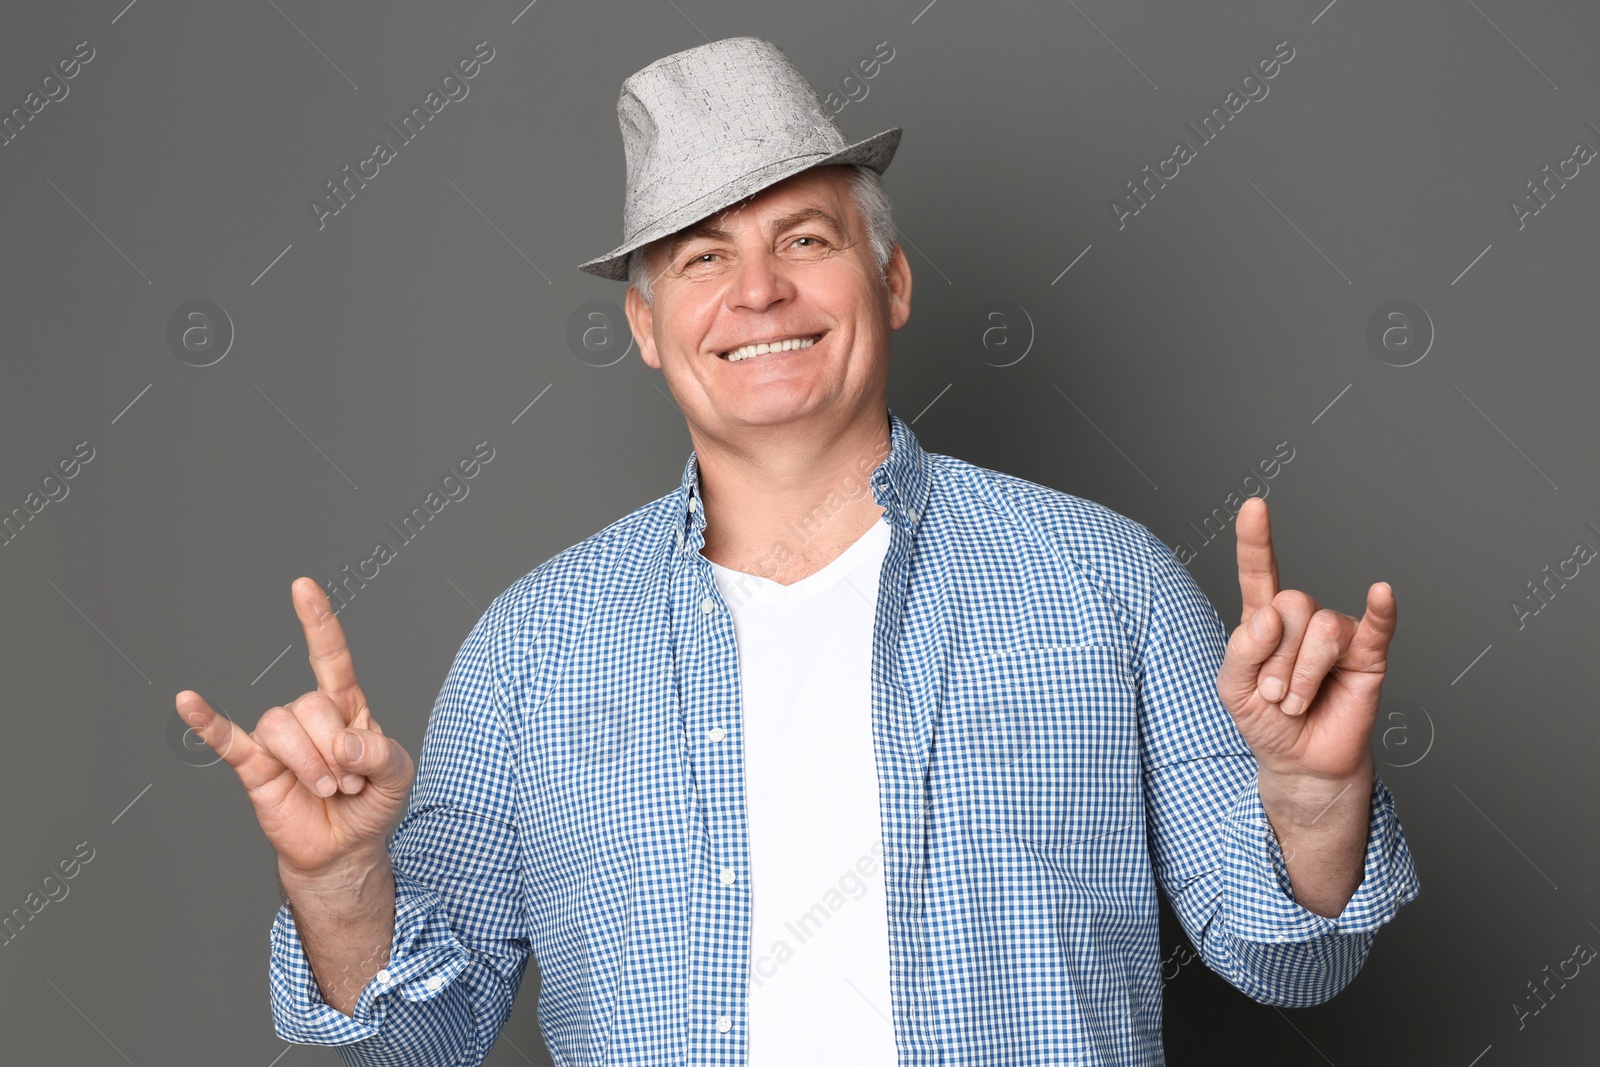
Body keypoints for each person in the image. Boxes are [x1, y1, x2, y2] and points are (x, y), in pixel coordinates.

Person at [173, 35, 1419, 1066]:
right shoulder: (530, 647)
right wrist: (337, 885)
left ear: (892, 283)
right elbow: (422, 1036)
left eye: (805, 239)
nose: (758, 292)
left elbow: (1291, 958)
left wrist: (1312, 802)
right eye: (702, 256)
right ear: (649, 328)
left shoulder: (1109, 584)